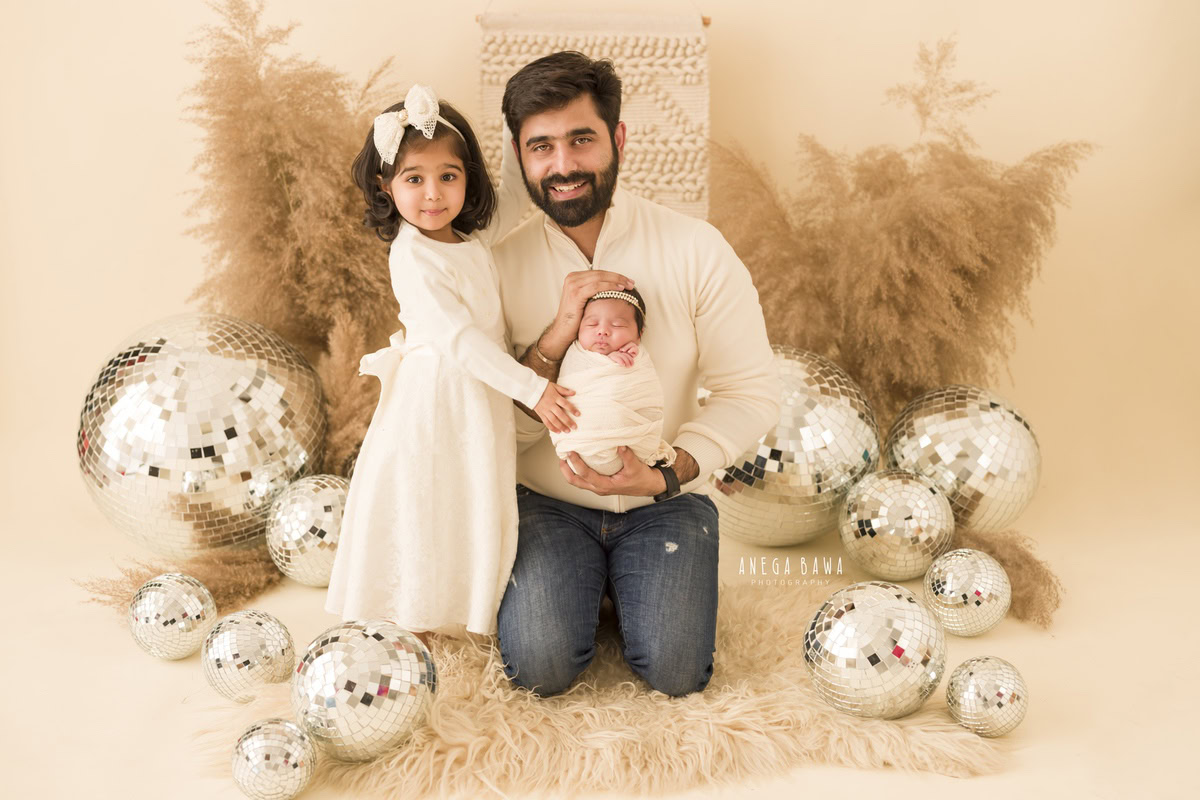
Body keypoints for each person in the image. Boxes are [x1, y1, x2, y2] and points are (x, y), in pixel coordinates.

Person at [492, 52, 782, 696]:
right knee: (539, 668)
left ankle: (625, 581)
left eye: (581, 139)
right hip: (546, 505)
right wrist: (554, 339)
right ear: (519, 155)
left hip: (666, 503)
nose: (563, 165)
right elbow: (490, 430)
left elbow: (751, 391)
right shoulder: (498, 267)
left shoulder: (696, 248)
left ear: (618, 139)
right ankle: (587, 584)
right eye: (541, 146)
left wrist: (669, 472)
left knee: (677, 673)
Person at [324, 85, 588, 647]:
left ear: (468, 178)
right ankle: (408, 615)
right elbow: (460, 339)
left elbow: (515, 200)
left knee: (465, 499)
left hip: (474, 397)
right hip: (436, 399)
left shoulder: (467, 240)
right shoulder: (413, 255)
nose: (433, 195)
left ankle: (455, 607)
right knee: (424, 499)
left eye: (448, 175)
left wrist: (517, 128)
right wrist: (534, 389)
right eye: (413, 179)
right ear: (385, 185)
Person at [548, 286, 677, 477]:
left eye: (617, 325)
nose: (602, 331)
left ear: (639, 334)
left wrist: (627, 362)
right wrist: (608, 360)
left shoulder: (638, 358)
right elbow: (572, 380)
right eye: (592, 324)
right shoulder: (576, 355)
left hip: (636, 452)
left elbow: (646, 392)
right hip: (580, 444)